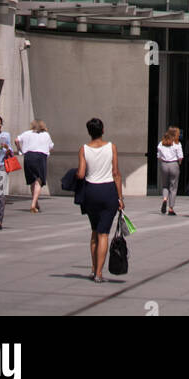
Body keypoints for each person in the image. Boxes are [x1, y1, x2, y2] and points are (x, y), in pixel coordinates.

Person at [76, 118, 124, 283]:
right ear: (103, 130)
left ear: (89, 132)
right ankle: (99, 273)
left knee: (95, 231)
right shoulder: (112, 147)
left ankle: (93, 269)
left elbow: (81, 174)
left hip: (91, 192)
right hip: (108, 191)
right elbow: (116, 173)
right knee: (104, 233)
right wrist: (120, 198)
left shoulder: (84, 149)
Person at [16, 120, 54, 213]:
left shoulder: (27, 133)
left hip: (28, 156)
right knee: (38, 181)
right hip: (40, 157)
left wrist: (19, 150)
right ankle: (33, 203)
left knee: (32, 181)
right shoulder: (46, 135)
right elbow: (51, 146)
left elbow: (16, 140)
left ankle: (35, 202)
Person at [157, 126, 183, 215]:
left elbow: (159, 156)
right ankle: (171, 208)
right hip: (173, 164)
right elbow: (180, 156)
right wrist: (179, 163)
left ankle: (165, 199)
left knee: (165, 185)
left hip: (164, 164)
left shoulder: (162, 143)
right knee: (173, 186)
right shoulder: (177, 144)